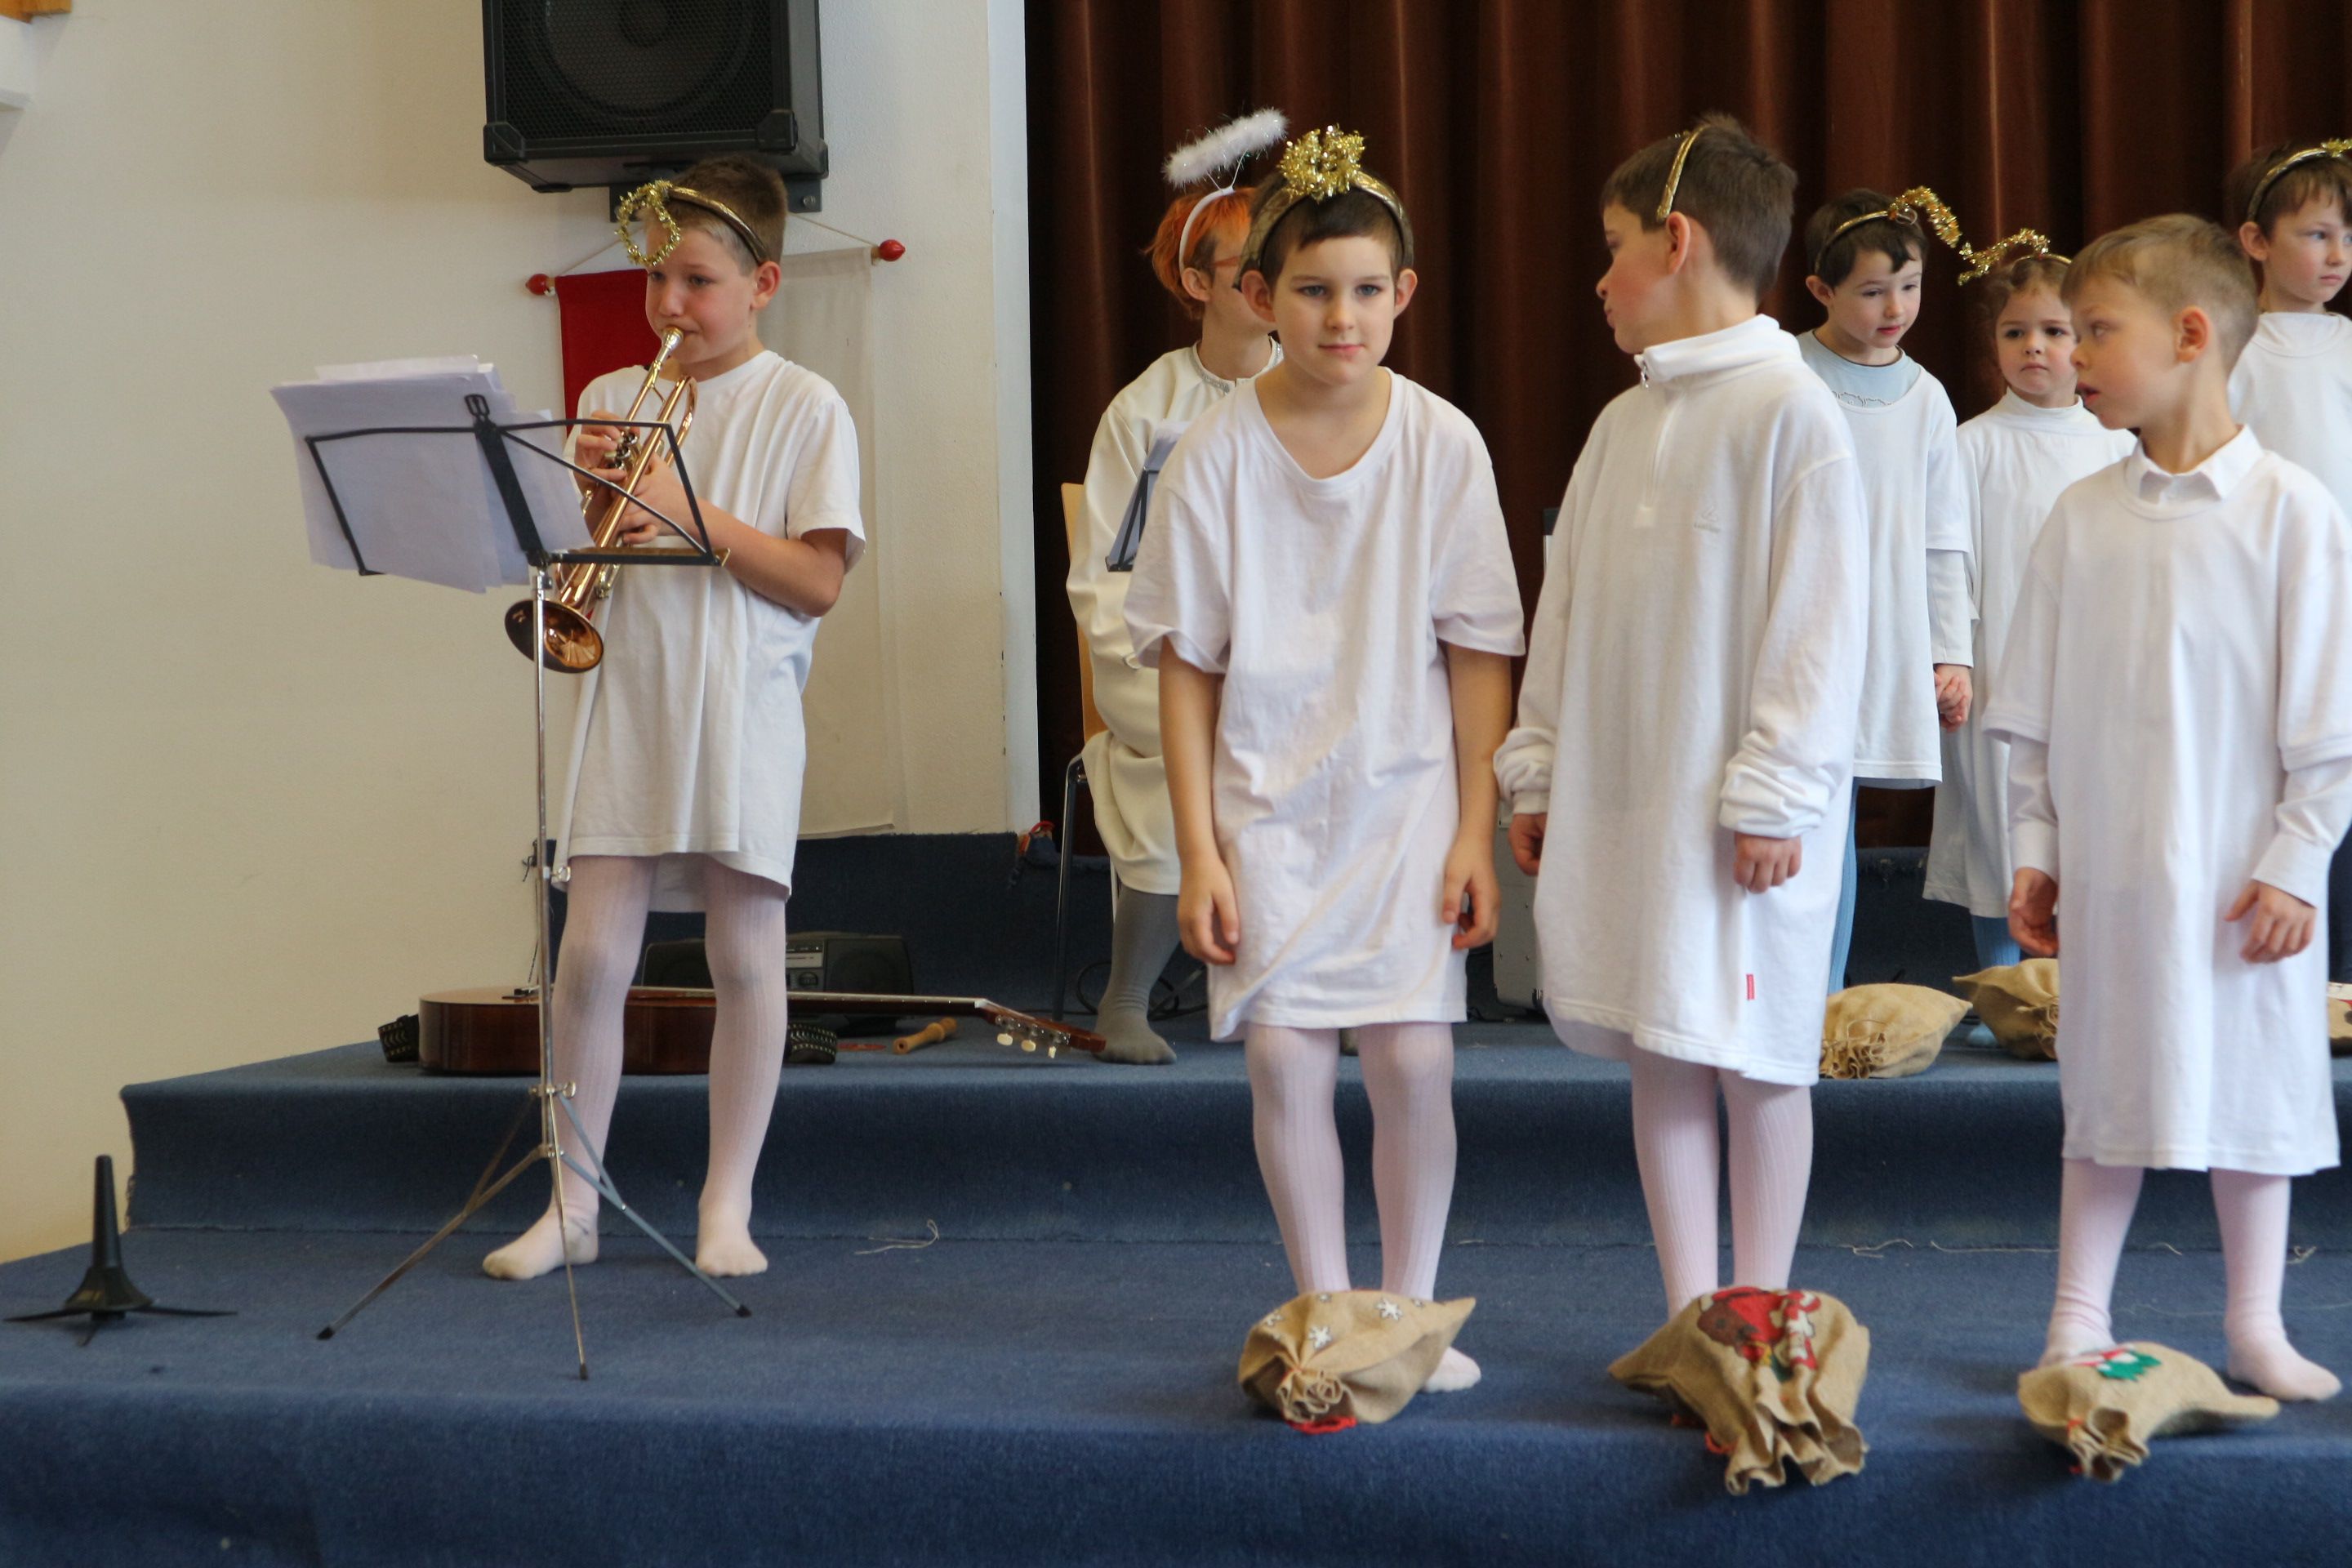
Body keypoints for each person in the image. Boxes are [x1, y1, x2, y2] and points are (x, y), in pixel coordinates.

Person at [1126, 127, 1523, 1392]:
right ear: (1258, 296)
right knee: (1285, 1056)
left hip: (1409, 798)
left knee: (1414, 1056)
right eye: (1310, 289)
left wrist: (1476, 827)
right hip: (1267, 803)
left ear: (1403, 294)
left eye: (1363, 290)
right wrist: (1199, 850)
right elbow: (1185, 665)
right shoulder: (1211, 454)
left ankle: (1407, 1313)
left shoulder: (1444, 443)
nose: (1340, 317)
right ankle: (1323, 1309)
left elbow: (1479, 650)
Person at [1499, 115, 1869, 1320]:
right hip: (1635, 809)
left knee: (1757, 1062)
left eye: (1614, 249)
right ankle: (1687, 1321)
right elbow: (1564, 612)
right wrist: (1539, 766)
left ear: (1678, 240)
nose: (1601, 279)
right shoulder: (1623, 425)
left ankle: (1757, 1318)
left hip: (1741, 823)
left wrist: (1776, 792)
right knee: (1660, 1046)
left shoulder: (1793, 414)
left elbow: (1819, 630)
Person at [1989, 214, 2352, 1400]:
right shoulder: (2082, 518)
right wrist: (2038, 849)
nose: (2076, 354)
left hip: (2246, 882)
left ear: (2191, 335)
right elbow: (2033, 717)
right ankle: (2075, 1317)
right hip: (2117, 878)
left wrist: (2298, 860)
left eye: (2098, 330)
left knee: (2257, 1089)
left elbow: (2331, 724)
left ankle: (2256, 1323)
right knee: (2106, 1094)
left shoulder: (2292, 513)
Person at [484, 155, 865, 1283]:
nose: (670, 304)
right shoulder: (611, 397)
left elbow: (818, 581)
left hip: (742, 703)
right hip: (631, 694)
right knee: (591, 957)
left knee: (743, 957)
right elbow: (586, 556)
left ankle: (726, 1204)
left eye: (697, 280)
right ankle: (573, 1205)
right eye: (657, 278)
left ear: (763, 285)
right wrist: (586, 493)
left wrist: (691, 511)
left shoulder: (806, 404)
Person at [1066, 121, 1282, 1064]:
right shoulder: (1143, 412)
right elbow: (1104, 578)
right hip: (1163, 654)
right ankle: (1126, 997)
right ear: (1199, 284)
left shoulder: (1323, 386)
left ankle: (1331, 981)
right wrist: (1170, 657)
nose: (1275, 282)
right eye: (1251, 267)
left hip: (1287, 650)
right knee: (1187, 731)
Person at [1923, 248, 2132, 966]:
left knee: (2089, 819)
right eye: (2015, 332)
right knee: (2001, 827)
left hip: (2094, 669)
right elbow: (1947, 562)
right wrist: (1951, 656)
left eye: (2053, 330)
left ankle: (2082, 990)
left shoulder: (2117, 447)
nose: (2034, 347)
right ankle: (2002, 987)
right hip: (2000, 670)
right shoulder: (1970, 446)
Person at [1798, 189, 1975, 990]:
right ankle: (1786, 996)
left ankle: (1827, 998)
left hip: (1884, 629)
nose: (1896, 309)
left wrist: (1951, 651)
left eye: (1909, 287)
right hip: (1806, 618)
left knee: (1837, 811)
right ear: (1821, 290)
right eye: (1873, 291)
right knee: (1804, 806)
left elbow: (1943, 536)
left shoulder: (1926, 396)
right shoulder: (1789, 373)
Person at [2226, 139, 2352, 982]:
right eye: (2316, 234)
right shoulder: (2237, 350)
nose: (2337, 255)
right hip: (2266, 599)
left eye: (2348, 237)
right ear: (2257, 241)